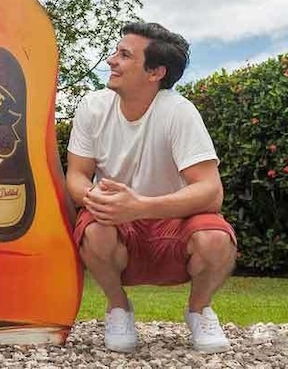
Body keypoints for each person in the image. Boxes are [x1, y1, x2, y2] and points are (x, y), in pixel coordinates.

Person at [66, 22, 237, 354]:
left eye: (125, 55)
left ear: (155, 72)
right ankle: (118, 308)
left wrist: (140, 206)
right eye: (116, 51)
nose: (112, 60)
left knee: (216, 238)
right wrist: (93, 198)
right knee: (94, 227)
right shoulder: (92, 107)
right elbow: (76, 175)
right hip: (118, 227)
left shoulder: (179, 112)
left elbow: (211, 192)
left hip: (171, 225)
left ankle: (199, 310)